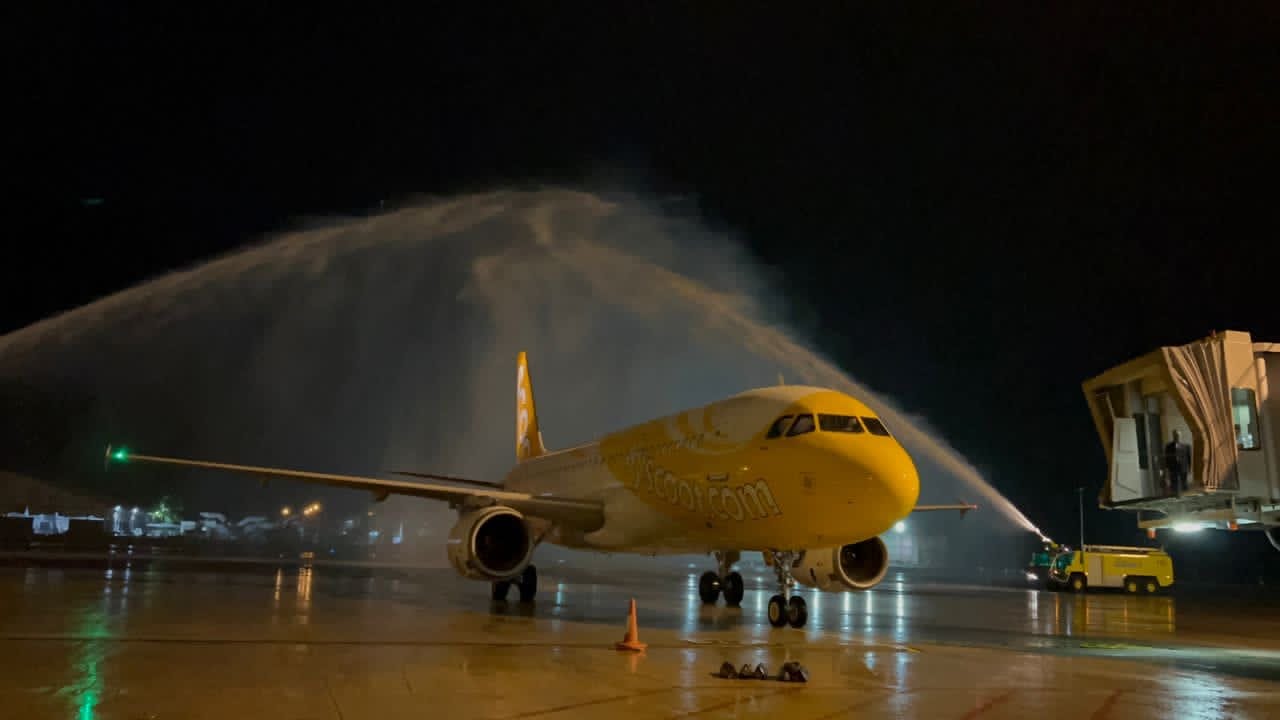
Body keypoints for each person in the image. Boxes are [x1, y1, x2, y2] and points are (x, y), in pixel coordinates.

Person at [1164, 429, 1191, 494]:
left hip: (1183, 467)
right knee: (1174, 484)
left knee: (1184, 483)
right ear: (1173, 436)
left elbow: (1189, 458)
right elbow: (1167, 458)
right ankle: (1175, 495)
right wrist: (1167, 469)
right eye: (1175, 435)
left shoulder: (1186, 446)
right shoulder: (1168, 446)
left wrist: (1189, 469)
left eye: (1178, 435)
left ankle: (1186, 495)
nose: (1177, 437)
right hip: (1173, 468)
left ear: (1180, 436)